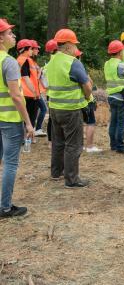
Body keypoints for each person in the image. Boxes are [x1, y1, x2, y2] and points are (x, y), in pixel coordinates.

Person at [46, 29, 92, 188]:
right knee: (73, 144)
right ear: (67, 45)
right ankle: (72, 179)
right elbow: (86, 85)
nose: (75, 48)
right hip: (71, 109)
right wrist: (87, 98)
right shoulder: (73, 62)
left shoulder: (51, 62)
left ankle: (56, 172)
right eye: (74, 44)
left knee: (58, 141)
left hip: (54, 108)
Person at [0, 19, 34, 218]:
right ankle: (5, 207)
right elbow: (15, 95)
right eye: (10, 33)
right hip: (10, 119)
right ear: (1, 38)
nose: (14, 36)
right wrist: (28, 122)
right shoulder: (9, 62)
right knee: (11, 164)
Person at [104, 40, 124, 154]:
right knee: (121, 123)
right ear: (120, 52)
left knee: (113, 121)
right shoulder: (121, 65)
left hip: (111, 96)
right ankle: (120, 146)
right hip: (121, 97)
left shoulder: (106, 64)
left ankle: (113, 144)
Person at [75, 49, 102, 153]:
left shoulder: (69, 67)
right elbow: (89, 83)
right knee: (90, 123)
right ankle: (89, 146)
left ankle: (79, 145)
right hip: (87, 100)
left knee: (79, 124)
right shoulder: (80, 67)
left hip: (76, 101)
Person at [16, 39, 40, 131]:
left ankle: (24, 138)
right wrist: (35, 93)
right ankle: (28, 139)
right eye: (31, 49)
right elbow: (26, 78)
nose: (32, 51)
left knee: (23, 118)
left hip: (22, 92)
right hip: (29, 94)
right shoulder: (25, 60)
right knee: (31, 118)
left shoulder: (18, 60)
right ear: (26, 49)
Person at [43, 39, 58, 146]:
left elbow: (45, 84)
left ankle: (50, 141)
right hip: (62, 96)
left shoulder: (47, 66)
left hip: (51, 95)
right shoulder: (60, 63)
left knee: (52, 119)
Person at [32, 40, 47, 137]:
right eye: (36, 48)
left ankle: (34, 129)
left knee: (34, 111)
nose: (38, 50)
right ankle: (37, 129)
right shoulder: (29, 61)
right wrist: (40, 72)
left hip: (35, 91)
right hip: (33, 92)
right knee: (43, 109)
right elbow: (32, 78)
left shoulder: (33, 61)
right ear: (30, 49)